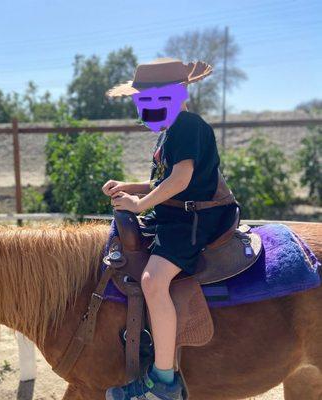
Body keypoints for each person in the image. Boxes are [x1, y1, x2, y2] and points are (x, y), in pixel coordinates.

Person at [102, 58, 238, 400]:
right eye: (142, 102)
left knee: (153, 280)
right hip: (174, 214)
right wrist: (129, 188)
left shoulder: (188, 126)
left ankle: (164, 381)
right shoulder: (169, 131)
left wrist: (138, 205)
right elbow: (159, 182)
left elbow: (181, 179)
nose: (146, 108)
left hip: (195, 220)